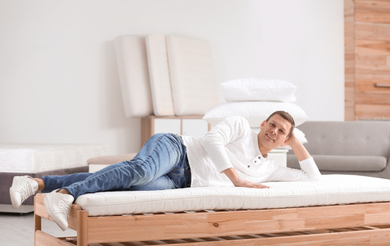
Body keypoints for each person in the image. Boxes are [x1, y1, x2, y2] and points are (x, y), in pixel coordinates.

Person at [9, 111, 321, 231]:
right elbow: (212, 139)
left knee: (127, 180)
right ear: (263, 123)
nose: (275, 132)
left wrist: (296, 144)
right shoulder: (240, 126)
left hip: (179, 182)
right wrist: (236, 179)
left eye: (282, 132)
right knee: (141, 171)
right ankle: (63, 194)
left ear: (284, 140)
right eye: (273, 125)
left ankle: (37, 182)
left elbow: (313, 179)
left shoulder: (269, 169)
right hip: (176, 150)